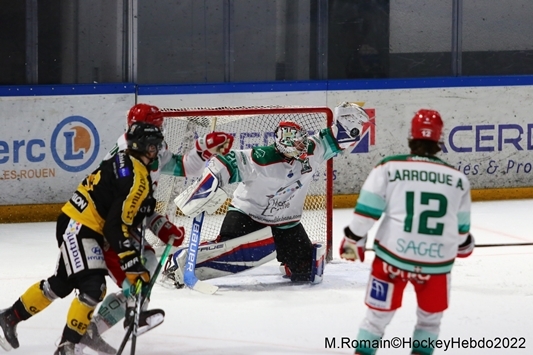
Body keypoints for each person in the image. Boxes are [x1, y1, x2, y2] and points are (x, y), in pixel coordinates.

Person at [0, 122, 185, 355]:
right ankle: (68, 346)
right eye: (156, 146)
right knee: (93, 287)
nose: (159, 150)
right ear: (147, 148)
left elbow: (125, 211)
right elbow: (115, 226)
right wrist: (130, 260)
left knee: (61, 283)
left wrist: (158, 225)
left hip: (77, 220)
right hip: (81, 226)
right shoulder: (136, 178)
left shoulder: (126, 162)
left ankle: (11, 316)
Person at [79, 103, 234, 354]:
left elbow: (184, 167)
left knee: (146, 266)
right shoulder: (122, 155)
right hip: (107, 225)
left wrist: (203, 149)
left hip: (127, 222)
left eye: (158, 128)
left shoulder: (152, 147)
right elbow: (116, 205)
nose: (156, 133)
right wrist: (153, 224)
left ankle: (97, 327)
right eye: (153, 127)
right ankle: (87, 331)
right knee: (131, 278)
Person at [168, 102, 371, 285]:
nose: (303, 145)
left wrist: (348, 119)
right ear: (285, 143)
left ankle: (288, 260)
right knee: (227, 255)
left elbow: (340, 137)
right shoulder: (262, 158)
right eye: (298, 142)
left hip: (286, 222)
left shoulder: (312, 150)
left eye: (303, 140)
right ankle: (181, 260)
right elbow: (225, 161)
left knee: (307, 273)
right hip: (247, 216)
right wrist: (207, 186)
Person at [339, 109, 475, 355]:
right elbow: (462, 239)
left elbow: (365, 214)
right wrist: (465, 246)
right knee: (430, 322)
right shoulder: (458, 179)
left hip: (392, 258)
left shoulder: (389, 167)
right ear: (439, 139)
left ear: (411, 137)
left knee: (375, 320)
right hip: (436, 264)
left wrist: (352, 240)